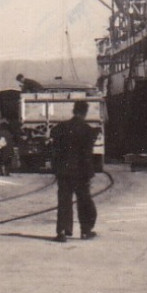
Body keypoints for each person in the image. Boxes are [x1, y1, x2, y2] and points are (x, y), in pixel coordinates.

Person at [53, 100, 99, 242]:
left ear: (74, 111)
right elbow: (87, 155)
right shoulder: (87, 130)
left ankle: (62, 231)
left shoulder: (62, 127)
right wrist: (90, 173)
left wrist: (56, 168)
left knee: (64, 201)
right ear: (85, 113)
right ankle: (85, 231)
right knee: (84, 201)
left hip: (64, 171)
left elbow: (55, 147)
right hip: (81, 173)